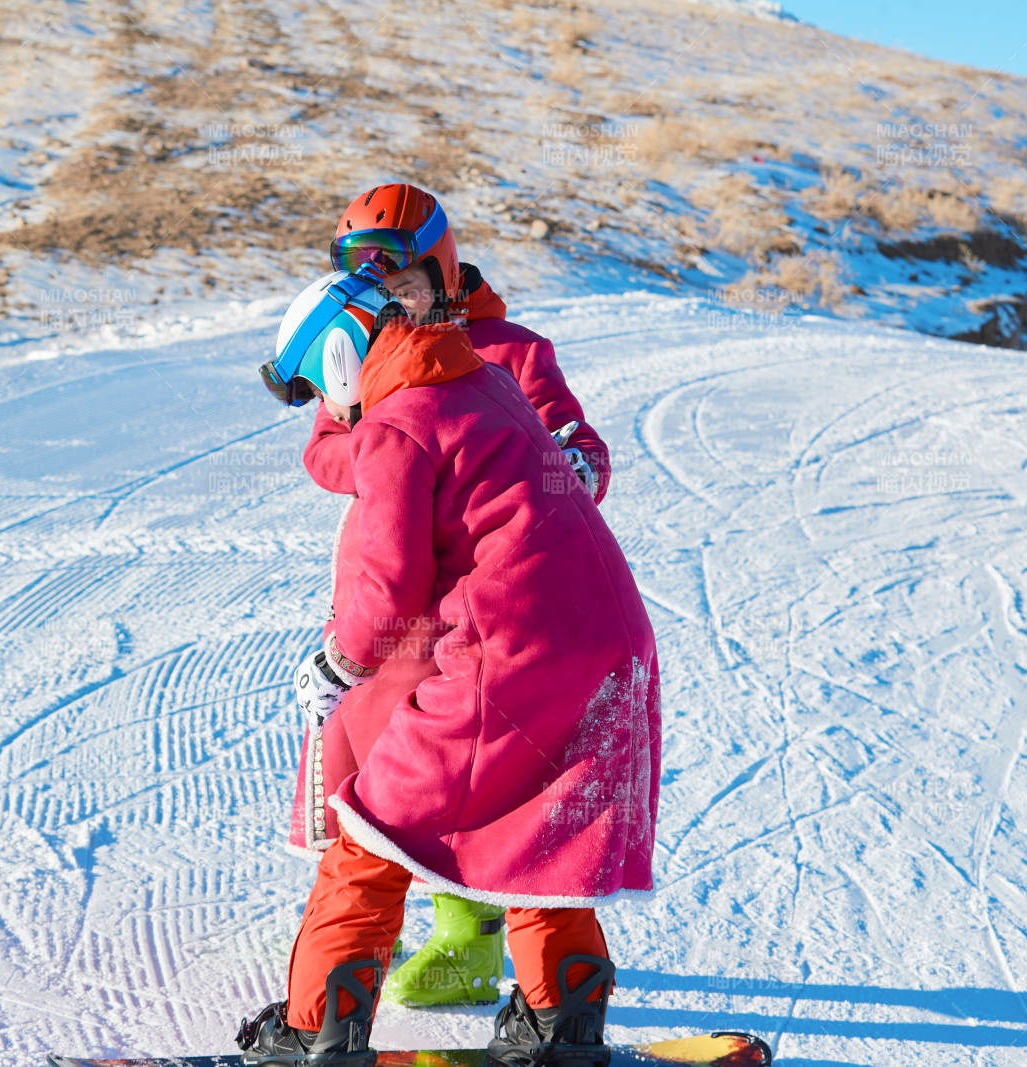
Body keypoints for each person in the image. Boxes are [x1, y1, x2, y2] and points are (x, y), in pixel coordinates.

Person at [245, 272, 660, 1067]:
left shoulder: (399, 423)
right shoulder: (482, 380)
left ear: (338, 358)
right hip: (610, 643)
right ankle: (561, 1025)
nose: (327, 409)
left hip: (507, 656)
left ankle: (316, 1031)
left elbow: (388, 584)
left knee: (372, 834)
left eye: (315, 390)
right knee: (539, 836)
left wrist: (340, 665)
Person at [286, 183, 612, 1009]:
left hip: (488, 600)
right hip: (400, 601)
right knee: (378, 770)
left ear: (442, 263)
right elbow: (326, 451)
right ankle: (363, 933)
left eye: (397, 273)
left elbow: (573, 441)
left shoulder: (510, 349)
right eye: (359, 272)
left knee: (486, 779)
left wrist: (563, 465)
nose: (381, 292)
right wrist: (383, 439)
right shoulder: (359, 352)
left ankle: (467, 936)